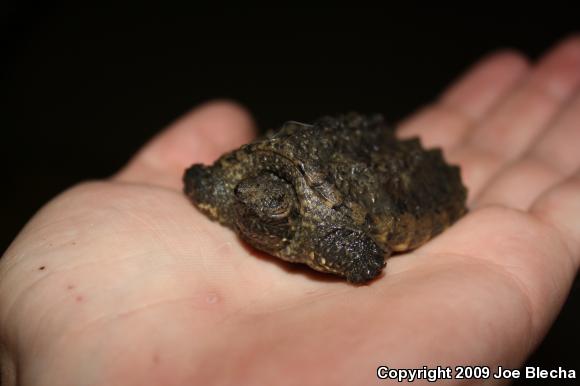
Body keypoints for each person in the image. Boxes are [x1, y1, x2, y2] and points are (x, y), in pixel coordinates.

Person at [1, 35, 579, 385]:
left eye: (272, 219)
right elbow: (202, 178)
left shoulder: (326, 227)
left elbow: (365, 257)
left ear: (293, 219)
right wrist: (222, 187)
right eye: (249, 209)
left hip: (383, 171)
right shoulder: (235, 189)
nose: (254, 221)